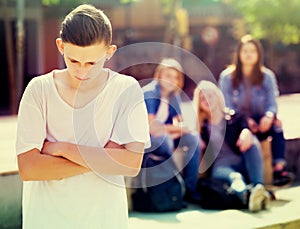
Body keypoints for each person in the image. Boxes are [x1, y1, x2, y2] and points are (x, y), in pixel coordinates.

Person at [16, 4, 150, 229]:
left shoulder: (126, 90)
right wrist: (105, 158)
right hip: (46, 219)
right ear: (60, 46)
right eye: (74, 61)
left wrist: (63, 149)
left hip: (105, 219)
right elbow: (29, 169)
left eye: (91, 63)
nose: (81, 71)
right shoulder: (38, 89)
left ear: (110, 52)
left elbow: (131, 164)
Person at [218, 34, 293, 186]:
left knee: (277, 126)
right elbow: (226, 105)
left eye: (253, 51)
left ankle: (279, 168)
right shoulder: (227, 77)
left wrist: (269, 115)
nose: (248, 54)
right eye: (245, 51)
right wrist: (245, 122)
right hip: (236, 123)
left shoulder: (267, 76)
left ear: (259, 54)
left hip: (261, 121)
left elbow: (272, 102)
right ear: (238, 54)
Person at [193, 80, 271, 212]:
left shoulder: (235, 117)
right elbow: (185, 136)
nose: (207, 99)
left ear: (217, 97)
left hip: (243, 161)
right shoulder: (201, 127)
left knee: (252, 141)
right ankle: (249, 195)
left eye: (210, 95)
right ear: (199, 104)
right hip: (221, 167)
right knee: (235, 177)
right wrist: (197, 137)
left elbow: (246, 128)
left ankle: (259, 186)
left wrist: (246, 132)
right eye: (202, 98)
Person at [142, 58, 201, 204]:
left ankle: (189, 189)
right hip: (147, 138)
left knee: (193, 138)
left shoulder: (173, 96)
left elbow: (180, 124)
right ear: (160, 75)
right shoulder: (149, 92)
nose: (172, 81)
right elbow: (152, 128)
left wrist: (178, 130)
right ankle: (172, 189)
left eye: (176, 77)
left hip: (165, 135)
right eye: (168, 76)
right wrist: (178, 130)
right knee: (165, 139)